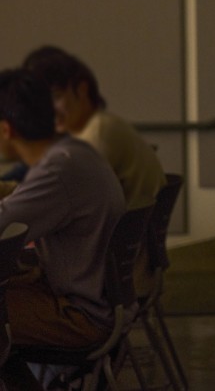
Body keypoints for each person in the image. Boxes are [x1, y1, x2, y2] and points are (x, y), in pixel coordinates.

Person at [0, 68, 125, 348]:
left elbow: (4, 222)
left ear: (6, 129)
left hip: (79, 315)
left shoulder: (60, 170)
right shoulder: (73, 153)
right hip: (90, 300)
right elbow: (22, 200)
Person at [23, 45, 166, 210]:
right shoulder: (97, 127)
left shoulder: (98, 132)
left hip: (117, 233)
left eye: (56, 96)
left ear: (82, 89)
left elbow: (57, 197)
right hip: (127, 230)